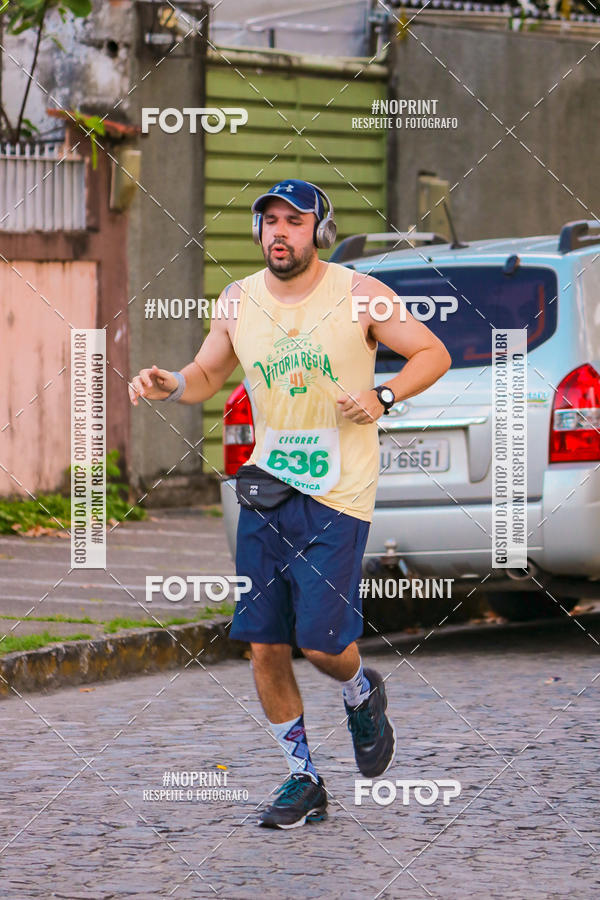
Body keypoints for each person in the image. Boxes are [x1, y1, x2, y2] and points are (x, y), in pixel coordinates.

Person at [129, 179, 451, 829]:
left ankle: (361, 691)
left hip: (339, 493)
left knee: (322, 642)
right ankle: (302, 778)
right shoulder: (238, 301)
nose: (280, 231)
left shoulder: (361, 295)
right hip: (266, 492)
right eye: (269, 220)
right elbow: (207, 375)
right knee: (264, 643)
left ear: (318, 231)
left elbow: (432, 352)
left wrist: (384, 398)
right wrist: (171, 383)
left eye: (294, 221)